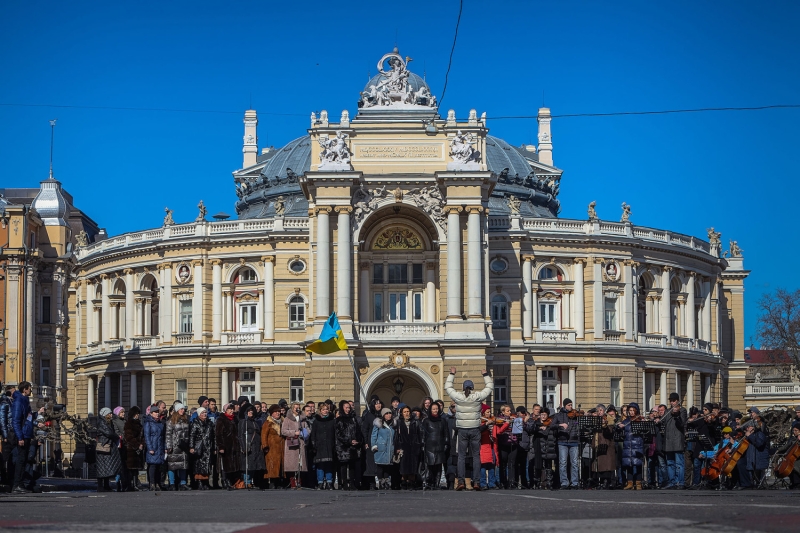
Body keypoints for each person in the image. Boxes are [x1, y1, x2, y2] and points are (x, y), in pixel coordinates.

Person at [444, 366, 493, 491]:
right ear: (472, 388)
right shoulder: (477, 396)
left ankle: (460, 482)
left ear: (463, 388)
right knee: (476, 456)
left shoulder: (459, 397)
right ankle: (476, 482)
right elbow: (489, 388)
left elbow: (448, 387)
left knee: (461, 456)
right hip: (475, 429)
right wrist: (485, 374)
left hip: (462, 429)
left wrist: (452, 373)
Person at [736, 407, 769, 490]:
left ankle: (749, 483)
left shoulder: (761, 432)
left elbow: (759, 443)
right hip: (750, 454)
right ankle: (745, 483)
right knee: (740, 462)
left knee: (746, 463)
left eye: (749, 427)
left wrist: (750, 435)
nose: (748, 428)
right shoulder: (749, 433)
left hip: (759, 455)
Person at [551, 398, 580, 489]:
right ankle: (564, 482)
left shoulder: (575, 415)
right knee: (563, 462)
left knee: (574, 463)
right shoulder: (558, 415)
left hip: (574, 441)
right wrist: (560, 425)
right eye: (569, 405)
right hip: (562, 441)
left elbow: (579, 425)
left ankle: (574, 482)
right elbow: (551, 425)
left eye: (571, 405)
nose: (571, 407)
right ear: (564, 405)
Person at [661, 393, 687, 490]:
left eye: (674, 400)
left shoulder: (682, 410)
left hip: (677, 440)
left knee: (679, 463)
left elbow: (682, 424)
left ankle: (680, 482)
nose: (672, 402)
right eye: (671, 401)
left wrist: (677, 415)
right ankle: (671, 482)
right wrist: (656, 419)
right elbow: (662, 422)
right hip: (668, 441)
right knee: (670, 463)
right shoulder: (667, 411)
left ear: (677, 401)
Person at [11, 381, 34, 493]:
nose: (31, 390)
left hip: (26, 434)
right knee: (20, 460)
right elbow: (16, 421)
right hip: (22, 435)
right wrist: (20, 437)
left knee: (24, 460)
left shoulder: (25, 401)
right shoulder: (19, 401)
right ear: (24, 389)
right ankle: (17, 485)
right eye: (30, 388)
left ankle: (20, 484)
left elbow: (28, 418)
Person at [421, 401, 449, 490]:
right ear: (430, 410)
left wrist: (446, 443)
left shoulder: (442, 420)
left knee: (438, 467)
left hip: (440, 446)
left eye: (437, 409)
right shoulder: (426, 421)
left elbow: (446, 433)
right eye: (433, 409)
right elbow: (423, 434)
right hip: (429, 447)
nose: (435, 410)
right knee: (430, 466)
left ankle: (436, 484)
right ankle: (430, 483)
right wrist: (423, 445)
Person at [335, 399, 362, 490]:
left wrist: (357, 440)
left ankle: (352, 483)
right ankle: (345, 484)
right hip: (343, 447)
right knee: (343, 465)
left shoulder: (353, 419)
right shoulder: (339, 420)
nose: (348, 409)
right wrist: (349, 441)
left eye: (349, 407)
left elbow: (358, 431)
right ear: (342, 408)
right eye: (346, 408)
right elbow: (339, 434)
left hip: (353, 446)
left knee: (352, 466)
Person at [95, 407, 123, 492]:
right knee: (101, 468)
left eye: (111, 413)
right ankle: (100, 486)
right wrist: (117, 436)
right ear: (105, 415)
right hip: (103, 447)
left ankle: (106, 485)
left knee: (106, 468)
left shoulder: (109, 422)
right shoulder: (102, 422)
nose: (111, 415)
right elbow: (108, 433)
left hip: (108, 446)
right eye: (109, 414)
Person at [395, 405, 422, 490]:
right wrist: (398, 447)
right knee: (403, 467)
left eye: (408, 411)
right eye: (405, 412)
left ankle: (411, 483)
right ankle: (403, 482)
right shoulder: (399, 422)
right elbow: (396, 437)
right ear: (402, 413)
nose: (407, 413)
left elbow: (419, 435)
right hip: (403, 448)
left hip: (413, 448)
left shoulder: (415, 422)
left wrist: (418, 445)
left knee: (413, 467)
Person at [310, 402, 337, 489]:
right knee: (320, 465)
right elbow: (313, 434)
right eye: (323, 409)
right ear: (320, 411)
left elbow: (335, 433)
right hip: (319, 445)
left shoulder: (332, 421)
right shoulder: (316, 421)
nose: (325, 411)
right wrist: (314, 444)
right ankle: (320, 482)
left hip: (329, 445)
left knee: (329, 464)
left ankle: (329, 482)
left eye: (327, 409)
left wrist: (334, 444)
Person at [282, 401, 308, 488]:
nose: (298, 409)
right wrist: (294, 432)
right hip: (292, 444)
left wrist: (305, 433)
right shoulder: (287, 419)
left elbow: (307, 429)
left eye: (299, 407)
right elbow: (283, 431)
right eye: (296, 408)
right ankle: (293, 483)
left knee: (300, 465)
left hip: (300, 443)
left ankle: (299, 483)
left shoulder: (302, 419)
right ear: (292, 409)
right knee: (292, 465)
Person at [478, 406, 505, 490]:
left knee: (491, 466)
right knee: (483, 466)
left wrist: (506, 423)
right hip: (483, 446)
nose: (489, 414)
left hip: (492, 446)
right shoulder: (481, 423)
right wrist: (486, 425)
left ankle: (492, 483)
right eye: (487, 412)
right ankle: (483, 483)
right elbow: (479, 433)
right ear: (482, 413)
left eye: (490, 412)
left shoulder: (493, 422)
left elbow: (499, 431)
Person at [166, 402, 191, 490]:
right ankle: (172, 483)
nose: (183, 410)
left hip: (184, 446)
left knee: (183, 465)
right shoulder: (171, 421)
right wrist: (169, 446)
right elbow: (168, 434)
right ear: (177, 410)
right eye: (181, 409)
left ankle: (183, 483)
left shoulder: (186, 420)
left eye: (183, 409)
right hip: (175, 446)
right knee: (172, 465)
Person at [238, 403, 264, 489]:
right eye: (249, 411)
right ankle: (247, 481)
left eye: (251, 410)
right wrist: (243, 446)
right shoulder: (243, 422)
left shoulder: (254, 422)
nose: (251, 412)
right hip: (248, 446)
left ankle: (251, 481)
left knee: (253, 465)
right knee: (247, 465)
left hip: (256, 447)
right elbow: (241, 435)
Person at [620, 402, 645, 490]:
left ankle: (638, 483)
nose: (631, 412)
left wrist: (644, 423)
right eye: (629, 410)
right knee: (629, 464)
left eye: (633, 410)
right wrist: (620, 427)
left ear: (636, 411)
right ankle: (630, 482)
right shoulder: (626, 421)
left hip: (637, 444)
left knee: (637, 464)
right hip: (628, 444)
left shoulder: (640, 420)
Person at [189, 406, 215, 490]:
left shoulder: (210, 423)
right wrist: (192, 447)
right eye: (203, 413)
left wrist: (214, 447)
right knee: (199, 465)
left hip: (208, 447)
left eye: (205, 412)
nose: (205, 414)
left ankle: (205, 482)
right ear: (199, 414)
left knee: (207, 465)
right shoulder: (195, 423)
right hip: (199, 447)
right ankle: (199, 482)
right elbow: (192, 436)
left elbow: (213, 436)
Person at [215, 403, 239, 490]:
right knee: (224, 465)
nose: (232, 411)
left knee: (231, 464)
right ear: (226, 410)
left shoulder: (234, 420)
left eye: (232, 409)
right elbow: (218, 434)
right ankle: (224, 480)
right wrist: (221, 446)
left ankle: (230, 481)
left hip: (233, 446)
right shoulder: (221, 420)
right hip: (225, 446)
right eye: (230, 409)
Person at [360, 396, 383, 490]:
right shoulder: (369, 415)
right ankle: (371, 483)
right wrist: (365, 441)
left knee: (379, 463)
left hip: (380, 441)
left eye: (380, 403)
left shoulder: (382, 415)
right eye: (376, 403)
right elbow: (365, 429)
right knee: (370, 463)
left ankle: (381, 482)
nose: (379, 405)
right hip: (370, 442)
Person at [371, 407, 395, 490]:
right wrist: (374, 445)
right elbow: (374, 435)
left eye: (390, 413)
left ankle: (386, 482)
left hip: (389, 449)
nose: (389, 415)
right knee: (380, 466)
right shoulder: (379, 424)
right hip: (381, 448)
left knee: (387, 467)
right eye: (387, 414)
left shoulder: (393, 425)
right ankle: (381, 482)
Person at [594, 405, 617, 489]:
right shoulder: (596, 419)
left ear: (604, 411)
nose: (599, 412)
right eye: (598, 411)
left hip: (607, 444)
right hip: (599, 443)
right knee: (601, 464)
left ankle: (608, 481)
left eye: (601, 410)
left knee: (607, 464)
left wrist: (605, 425)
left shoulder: (609, 418)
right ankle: (601, 481)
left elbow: (610, 432)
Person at [261, 404, 284, 489]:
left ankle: (279, 482)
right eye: (276, 412)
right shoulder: (268, 423)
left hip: (281, 447)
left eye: (279, 411)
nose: (278, 413)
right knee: (271, 465)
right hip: (271, 448)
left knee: (280, 465)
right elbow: (264, 435)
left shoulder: (283, 422)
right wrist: (265, 446)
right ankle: (272, 482)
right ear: (271, 413)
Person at [143, 403, 166, 491]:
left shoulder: (160, 423)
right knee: (152, 466)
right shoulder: (148, 423)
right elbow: (147, 437)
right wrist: (150, 448)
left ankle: (157, 483)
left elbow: (162, 437)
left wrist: (164, 447)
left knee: (159, 467)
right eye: (155, 412)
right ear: (151, 413)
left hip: (159, 447)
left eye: (157, 412)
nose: (157, 413)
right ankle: (152, 483)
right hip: (153, 447)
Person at [123, 406, 145, 491]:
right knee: (130, 469)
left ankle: (135, 484)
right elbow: (128, 437)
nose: (137, 415)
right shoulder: (129, 423)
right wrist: (137, 445)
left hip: (138, 449)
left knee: (136, 469)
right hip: (131, 449)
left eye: (138, 414)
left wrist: (142, 444)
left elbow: (142, 436)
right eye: (136, 414)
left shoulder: (139, 424)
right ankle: (130, 485)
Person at [1, 384, 16, 488]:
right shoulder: (4, 402)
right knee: (5, 457)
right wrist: (5, 435)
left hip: (12, 432)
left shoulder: (11, 402)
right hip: (8, 433)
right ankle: (3, 478)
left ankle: (9, 478)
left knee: (12, 457)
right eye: (14, 391)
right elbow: (2, 420)